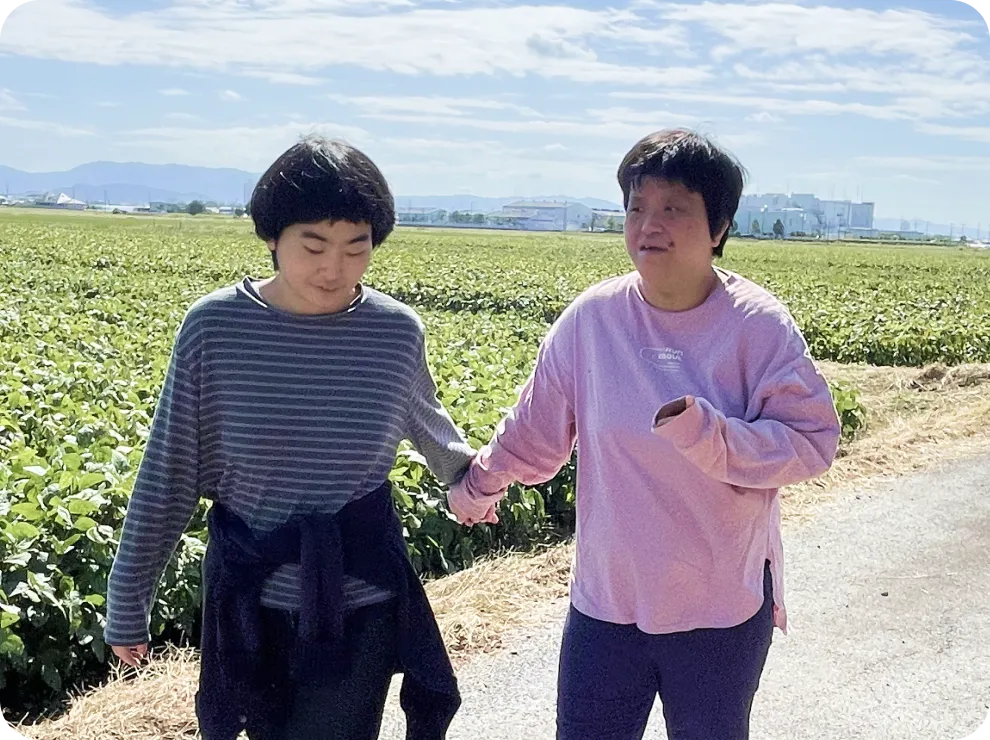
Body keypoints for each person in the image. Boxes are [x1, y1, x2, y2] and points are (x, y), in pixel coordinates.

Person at [448, 128, 842, 740]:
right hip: (607, 603)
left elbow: (812, 441)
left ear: (718, 228)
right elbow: (533, 432)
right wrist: (479, 486)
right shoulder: (592, 320)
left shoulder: (757, 326)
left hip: (718, 608)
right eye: (637, 208)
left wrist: (711, 438)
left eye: (673, 208)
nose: (649, 225)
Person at [104, 135, 476, 740]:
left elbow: (435, 431)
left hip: (357, 596)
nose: (334, 268)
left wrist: (479, 481)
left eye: (357, 247)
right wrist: (129, 599)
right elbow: (169, 471)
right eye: (314, 244)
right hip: (249, 601)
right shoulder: (215, 328)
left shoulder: (394, 333)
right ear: (272, 236)